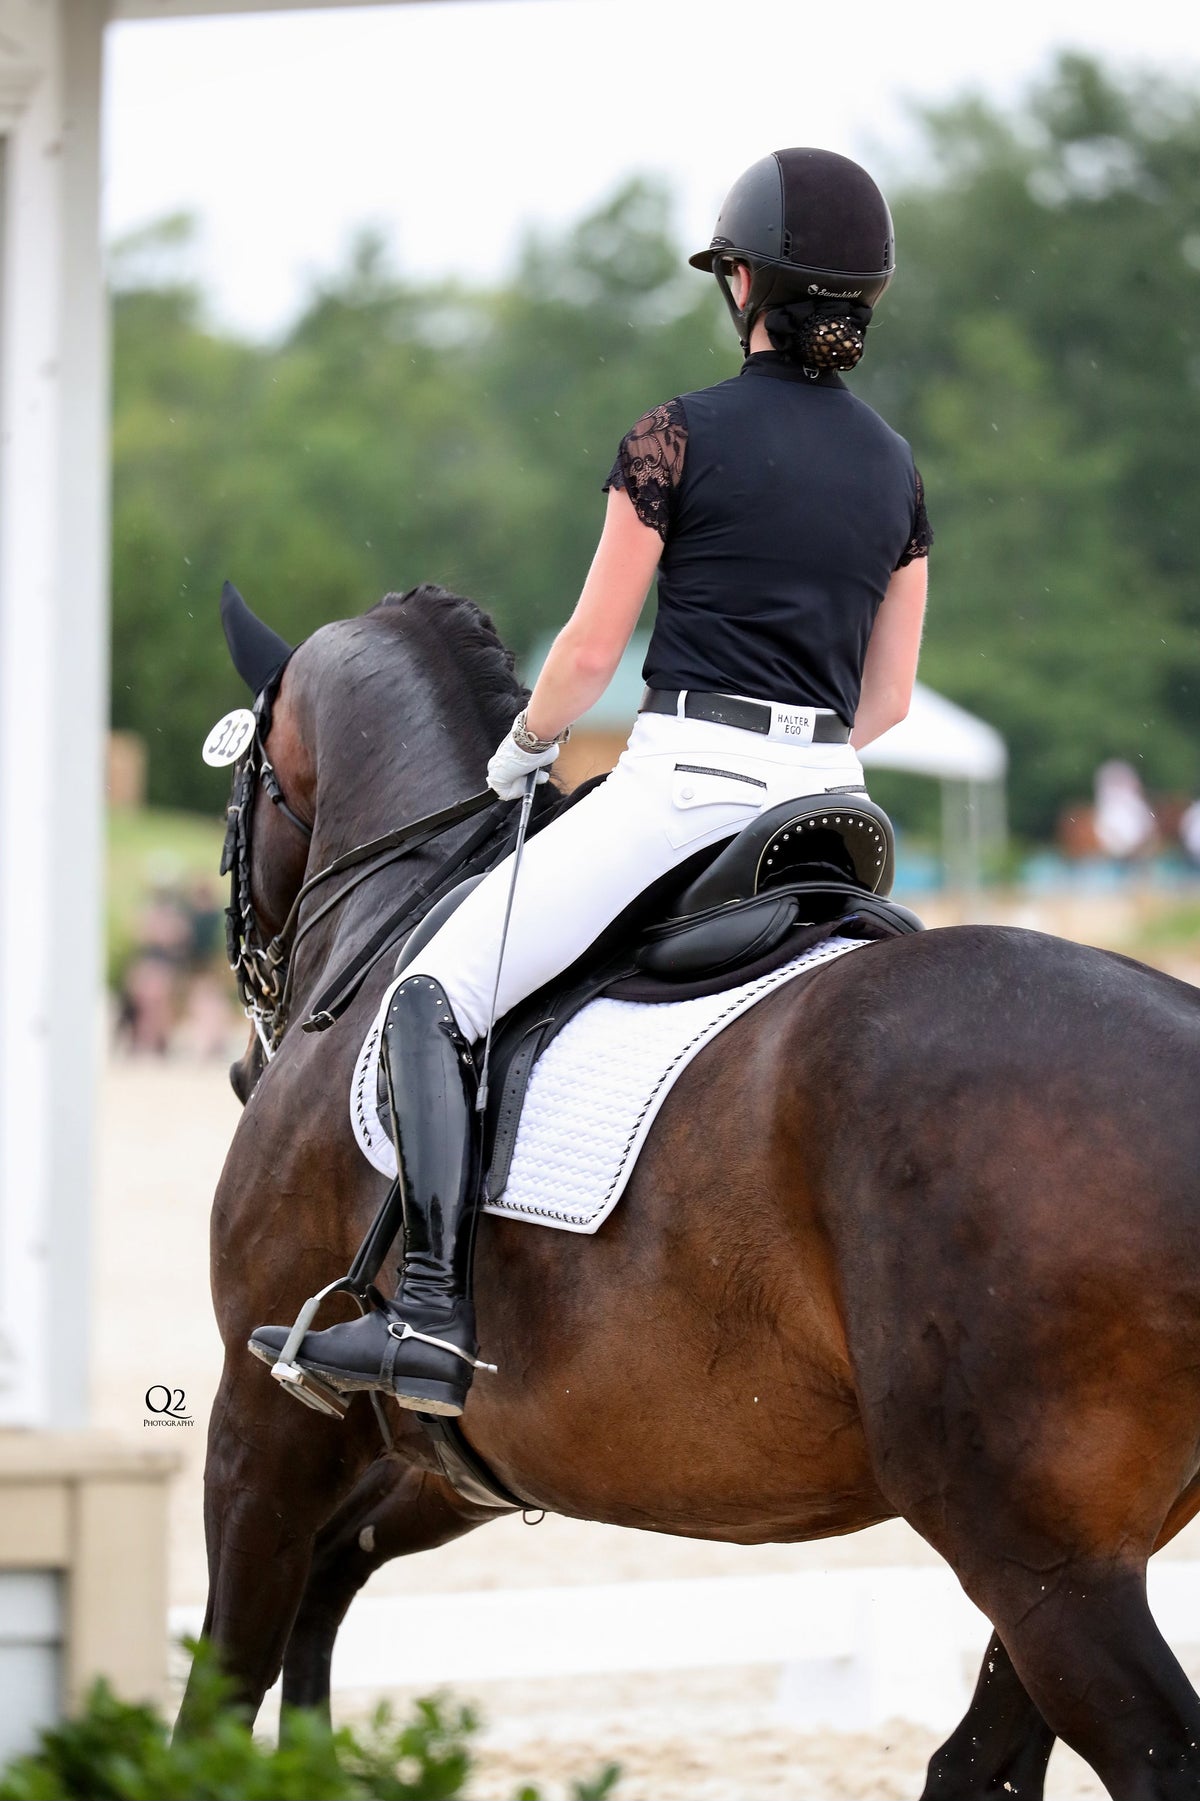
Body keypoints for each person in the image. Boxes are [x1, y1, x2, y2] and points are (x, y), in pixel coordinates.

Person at [250, 147, 932, 1417]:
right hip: (833, 804)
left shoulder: (678, 434)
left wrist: (522, 754)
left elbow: (586, 652)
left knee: (435, 991)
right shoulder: (895, 469)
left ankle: (435, 1318)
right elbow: (886, 697)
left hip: (685, 786)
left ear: (747, 286)